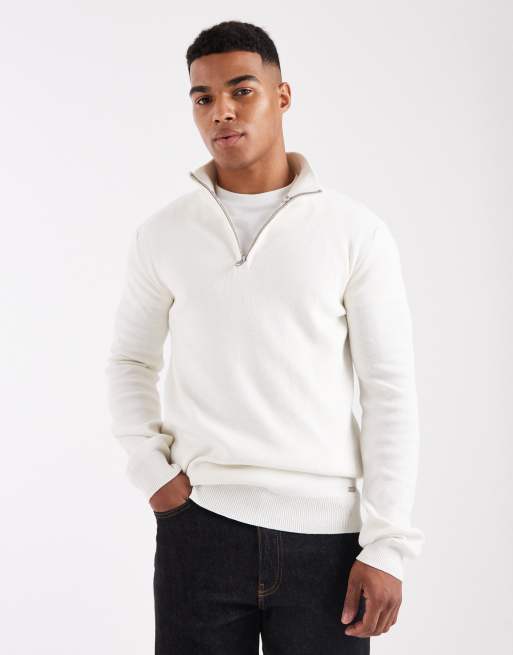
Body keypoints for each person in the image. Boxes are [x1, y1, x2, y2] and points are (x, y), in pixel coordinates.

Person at [106, 19, 425, 654]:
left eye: (241, 90)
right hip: (200, 527)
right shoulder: (163, 234)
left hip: (328, 543)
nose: (221, 111)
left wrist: (387, 545)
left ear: (282, 96)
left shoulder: (354, 232)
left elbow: (388, 390)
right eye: (203, 97)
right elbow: (130, 362)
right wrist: (153, 473)